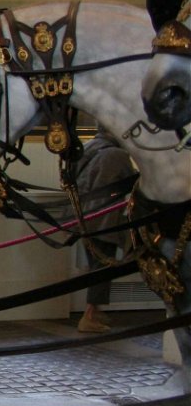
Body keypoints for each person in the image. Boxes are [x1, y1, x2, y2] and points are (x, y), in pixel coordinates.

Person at [74, 132, 136, 332]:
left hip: (82, 216)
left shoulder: (87, 147)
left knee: (96, 265)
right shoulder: (117, 155)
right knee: (102, 266)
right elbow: (134, 182)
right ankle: (89, 316)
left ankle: (95, 310)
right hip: (104, 220)